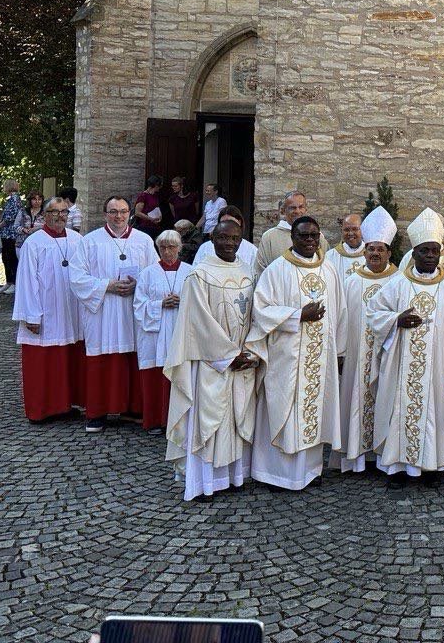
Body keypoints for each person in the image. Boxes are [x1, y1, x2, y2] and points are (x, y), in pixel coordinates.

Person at [246, 216, 345, 491]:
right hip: (285, 357)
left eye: (314, 235)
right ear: (293, 238)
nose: (310, 240)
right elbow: (261, 309)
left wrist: (338, 349)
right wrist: (297, 315)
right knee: (285, 412)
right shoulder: (277, 270)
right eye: (304, 236)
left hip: (318, 356)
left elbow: (340, 311)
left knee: (314, 411)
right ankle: (276, 474)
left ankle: (310, 472)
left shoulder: (329, 269)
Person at [368, 208, 444, 489]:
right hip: (401, 361)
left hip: (436, 364)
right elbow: (375, 311)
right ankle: (398, 469)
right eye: (425, 251)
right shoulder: (399, 281)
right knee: (400, 409)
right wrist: (396, 320)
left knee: (433, 410)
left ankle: (430, 466)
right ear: (414, 252)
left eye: (435, 251)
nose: (431, 256)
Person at [164, 218, 260, 501]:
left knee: (236, 418)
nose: (229, 243)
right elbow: (198, 322)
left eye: (234, 239)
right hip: (211, 363)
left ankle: (234, 477)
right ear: (213, 240)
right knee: (210, 422)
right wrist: (228, 355)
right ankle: (205, 483)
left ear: (241, 241)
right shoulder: (200, 274)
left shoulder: (248, 272)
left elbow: (256, 314)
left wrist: (250, 351)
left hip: (241, 360)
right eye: (223, 238)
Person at [68, 196, 156, 432]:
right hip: (103, 311)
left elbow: (154, 275)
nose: (119, 216)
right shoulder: (90, 242)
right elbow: (76, 277)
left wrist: (138, 285)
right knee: (101, 358)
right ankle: (97, 412)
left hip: (131, 310)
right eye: (113, 212)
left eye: (123, 211)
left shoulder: (144, 241)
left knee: (134, 355)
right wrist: (107, 286)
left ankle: (133, 408)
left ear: (130, 214)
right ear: (105, 214)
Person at [337, 206, 399, 473]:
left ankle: (385, 454)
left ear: (388, 253)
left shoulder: (399, 281)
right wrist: (340, 353)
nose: (375, 253)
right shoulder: (351, 282)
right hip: (357, 356)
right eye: (371, 248)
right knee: (357, 399)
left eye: (380, 249)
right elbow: (341, 320)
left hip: (389, 358)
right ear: (364, 251)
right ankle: (358, 457)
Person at [12, 196, 84, 421]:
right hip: (45, 310)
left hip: (72, 309)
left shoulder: (78, 239)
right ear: (44, 215)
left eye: (64, 212)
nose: (60, 216)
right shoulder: (34, 243)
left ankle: (65, 405)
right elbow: (26, 281)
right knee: (45, 361)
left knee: (68, 359)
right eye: (54, 212)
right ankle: (41, 409)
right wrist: (31, 315)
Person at [132, 230, 194, 435]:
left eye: (172, 247)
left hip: (180, 331)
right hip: (155, 334)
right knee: (155, 376)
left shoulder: (190, 272)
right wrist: (160, 304)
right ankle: (156, 420)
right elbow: (138, 305)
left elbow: (199, 303)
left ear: (180, 248)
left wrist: (182, 302)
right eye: (163, 247)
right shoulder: (147, 273)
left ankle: (180, 422)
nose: (167, 251)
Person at [253, 190, 311, 281]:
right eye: (292, 208)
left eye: (301, 207)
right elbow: (260, 271)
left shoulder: (316, 236)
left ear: (306, 209)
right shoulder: (269, 237)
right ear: (283, 210)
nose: (297, 211)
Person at [193, 206, 258, 270]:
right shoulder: (205, 248)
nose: (228, 226)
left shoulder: (251, 250)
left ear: (239, 222)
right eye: (224, 223)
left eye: (231, 222)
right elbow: (195, 271)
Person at [325, 212, 366, 279]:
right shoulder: (330, 256)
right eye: (346, 230)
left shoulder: (371, 255)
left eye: (355, 229)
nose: (350, 233)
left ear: (362, 230)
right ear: (342, 231)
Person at [0, 180, 22, 294]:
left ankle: (14, 282)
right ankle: (9, 281)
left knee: (11, 258)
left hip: (10, 233)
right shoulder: (11, 199)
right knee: (5, 258)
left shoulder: (14, 199)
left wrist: (0, 224)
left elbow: (10, 216)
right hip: (5, 233)